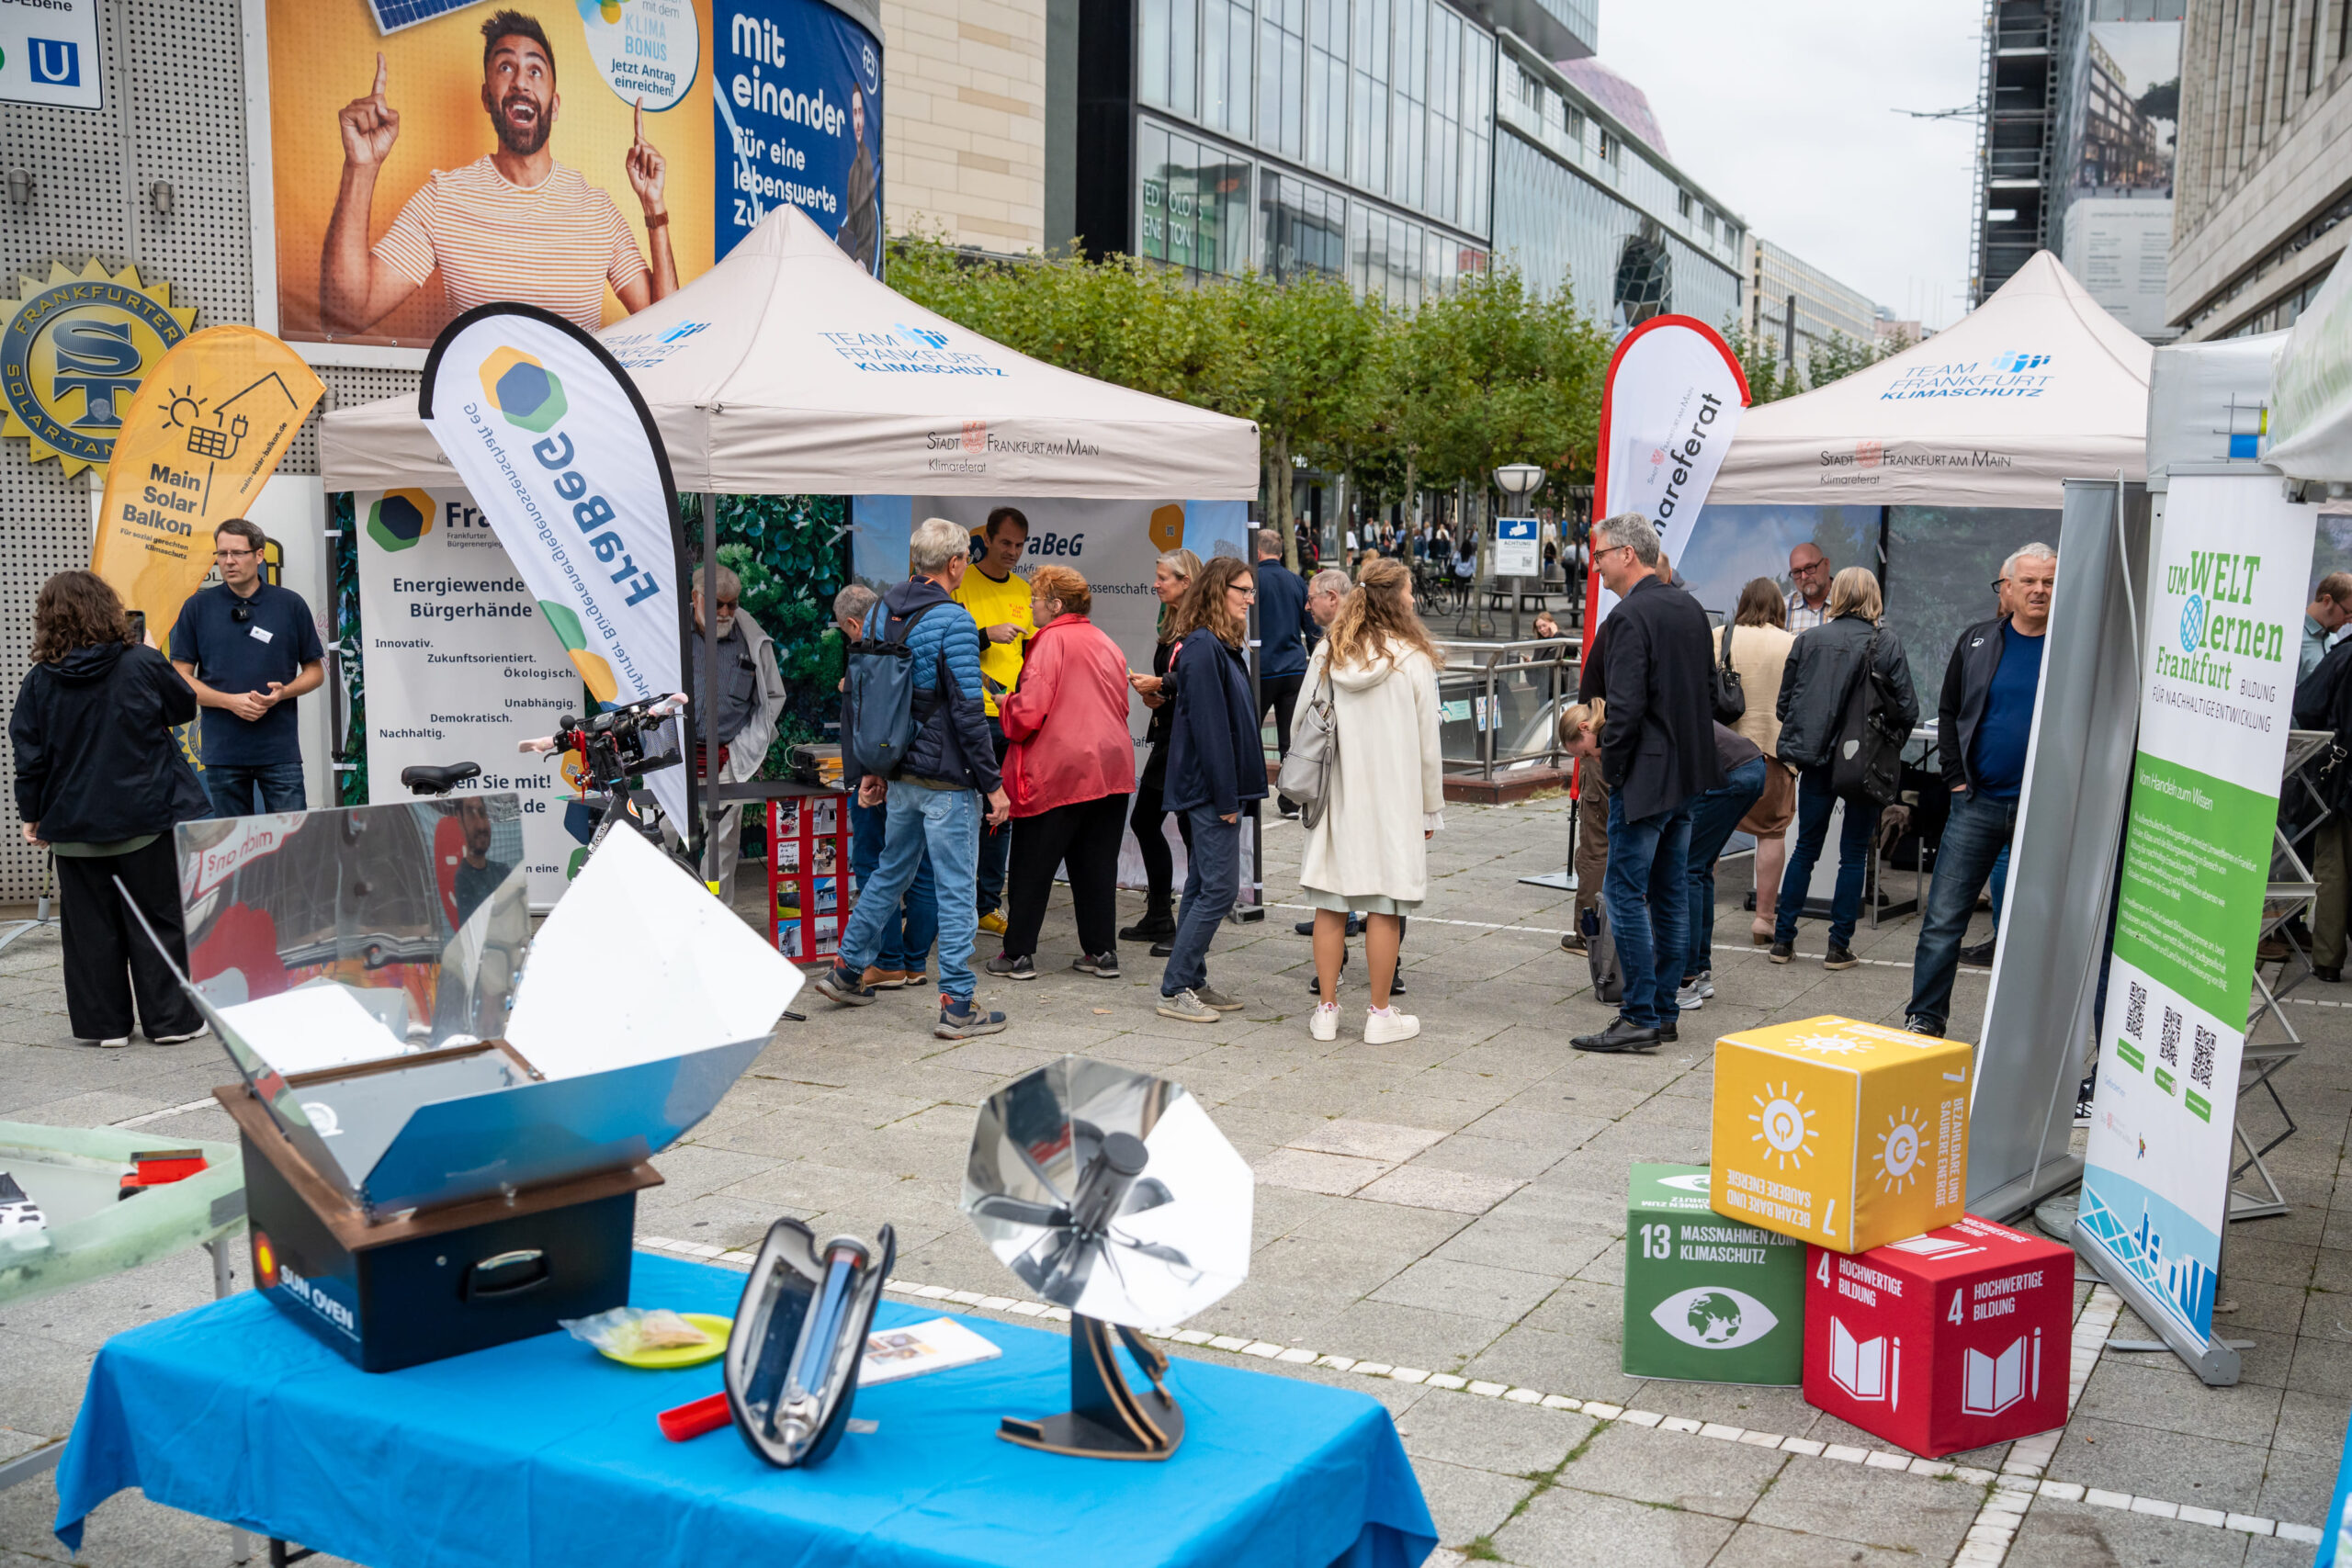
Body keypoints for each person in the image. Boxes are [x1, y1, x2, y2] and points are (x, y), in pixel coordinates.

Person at [321, 10, 676, 336]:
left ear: (554, 106)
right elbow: (347, 314)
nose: (521, 82)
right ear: (487, 98)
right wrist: (360, 167)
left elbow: (665, 327)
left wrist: (654, 206)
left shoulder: (597, 211)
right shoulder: (444, 198)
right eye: (506, 67)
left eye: (535, 71)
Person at [812, 518, 1012, 1039]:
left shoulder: (880, 611)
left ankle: (846, 970)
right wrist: (993, 784)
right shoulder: (954, 621)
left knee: (889, 873)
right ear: (955, 564)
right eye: (966, 559)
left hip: (898, 771)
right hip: (946, 779)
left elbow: (868, 695)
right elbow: (968, 711)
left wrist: (873, 770)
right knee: (956, 889)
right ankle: (958, 1004)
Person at [11, 571, 209, 1047]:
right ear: (108, 609)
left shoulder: (39, 681)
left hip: (73, 824)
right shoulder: (141, 661)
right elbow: (182, 709)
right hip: (144, 817)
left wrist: (31, 814)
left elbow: (29, 757)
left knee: (89, 931)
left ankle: (106, 1027)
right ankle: (171, 1022)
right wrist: (153, 656)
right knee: (157, 920)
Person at [1572, 513, 1722, 1054]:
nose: (1596, 566)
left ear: (1627, 554)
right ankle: (1662, 1012)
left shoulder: (1631, 616)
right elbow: (1709, 693)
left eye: (1600, 555)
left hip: (1646, 776)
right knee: (1670, 894)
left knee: (1625, 892)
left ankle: (1639, 1014)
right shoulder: (1688, 608)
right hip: (1687, 773)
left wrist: (1612, 766)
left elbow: (1627, 705)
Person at [1905, 545, 2055, 1033]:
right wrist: (1955, 777)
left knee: (2038, 928)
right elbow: (1949, 711)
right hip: (1978, 803)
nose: (2039, 590)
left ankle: (2025, 1033)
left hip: (2046, 811)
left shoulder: (2073, 648)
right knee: (1943, 921)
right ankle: (1925, 1019)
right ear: (2007, 588)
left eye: (2049, 582)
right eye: (2029, 581)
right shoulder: (1977, 641)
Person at [1298, 559, 1444, 1044]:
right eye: (1408, 591)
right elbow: (1428, 744)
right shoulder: (1412, 658)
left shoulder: (1328, 650)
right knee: (1385, 903)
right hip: (1394, 798)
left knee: (1330, 901)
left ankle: (1326, 1010)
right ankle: (1380, 1014)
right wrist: (1430, 806)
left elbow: (1302, 720)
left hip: (1337, 793)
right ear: (1394, 599)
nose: (1413, 599)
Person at [1769, 566, 1919, 970]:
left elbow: (1785, 706)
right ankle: (1838, 947)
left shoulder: (1808, 640)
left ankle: (1782, 941)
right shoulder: (1886, 643)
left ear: (1838, 595)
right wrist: (1887, 741)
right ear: (1873, 596)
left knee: (1805, 849)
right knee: (1853, 855)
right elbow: (1908, 708)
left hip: (1816, 759)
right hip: (1864, 761)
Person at [990, 566, 1135, 981]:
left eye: (1035, 600)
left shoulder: (1050, 641)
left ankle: (1017, 954)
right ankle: (1102, 952)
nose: (1030, 607)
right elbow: (1121, 705)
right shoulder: (1105, 641)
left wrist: (1006, 704)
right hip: (1111, 766)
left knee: (1032, 866)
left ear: (1055, 605)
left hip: (1060, 769)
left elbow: (1029, 714)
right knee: (1097, 866)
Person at [1155, 557, 1264, 1023]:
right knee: (1219, 890)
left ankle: (1192, 979)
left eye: (1251, 591)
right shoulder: (1202, 646)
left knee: (1202, 886)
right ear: (1220, 590)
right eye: (1243, 590)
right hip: (1209, 789)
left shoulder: (1217, 644)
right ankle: (1175, 987)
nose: (1250, 599)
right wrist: (1225, 797)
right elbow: (1210, 729)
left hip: (1217, 787)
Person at [169, 518, 325, 817]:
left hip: (279, 751)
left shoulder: (290, 605)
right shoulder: (197, 607)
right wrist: (230, 702)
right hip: (223, 752)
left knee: (293, 836)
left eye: (238, 553)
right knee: (233, 840)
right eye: (222, 553)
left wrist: (283, 693)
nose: (229, 561)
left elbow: (315, 672)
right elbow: (180, 677)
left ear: (259, 555)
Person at [835, 584, 936, 990]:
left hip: (876, 775)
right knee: (920, 867)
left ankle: (889, 960)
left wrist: (865, 774)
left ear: (853, 624)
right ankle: (915, 961)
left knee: (876, 866)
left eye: (847, 632)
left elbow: (869, 726)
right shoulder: (911, 646)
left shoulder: (870, 658)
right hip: (917, 772)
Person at [954, 507, 1035, 937]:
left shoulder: (1024, 590)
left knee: (1001, 814)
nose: (1012, 552)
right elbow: (943, 642)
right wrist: (986, 634)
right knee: (960, 813)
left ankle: (987, 904)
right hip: (971, 715)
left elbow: (1033, 655)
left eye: (1019, 545)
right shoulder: (961, 582)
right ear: (986, 539)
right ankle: (952, 904)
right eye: (1005, 542)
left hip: (1011, 718)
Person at [687, 566, 785, 904]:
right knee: (664, 837)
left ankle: (715, 913)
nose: (726, 612)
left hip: (727, 758)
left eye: (732, 604)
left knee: (723, 845)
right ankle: (665, 916)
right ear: (695, 597)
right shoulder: (670, 633)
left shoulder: (751, 639)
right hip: (677, 757)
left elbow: (772, 698)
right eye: (717, 604)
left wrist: (747, 744)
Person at [1122, 547, 1203, 949]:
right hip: (1168, 738)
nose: (1155, 584)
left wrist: (1163, 685)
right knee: (1144, 821)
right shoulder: (1172, 622)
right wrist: (1156, 695)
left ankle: (1190, 926)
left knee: (1191, 832)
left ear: (1186, 582)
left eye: (1163, 578)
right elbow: (1176, 681)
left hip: (1189, 745)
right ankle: (1159, 915)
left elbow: (1200, 678)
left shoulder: (1204, 628)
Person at [1715, 579, 1798, 944]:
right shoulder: (1792, 643)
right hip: (1773, 754)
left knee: (1708, 835)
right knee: (1772, 833)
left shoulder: (1720, 637)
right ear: (1779, 607)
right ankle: (1764, 918)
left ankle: (1698, 912)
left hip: (1723, 752)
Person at [1677, 722, 1770, 1009]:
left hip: (1732, 773)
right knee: (1702, 867)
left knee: (1689, 868)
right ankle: (1700, 972)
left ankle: (1686, 980)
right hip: (1750, 765)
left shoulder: (1647, 713)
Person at [1255, 529, 1317, 818]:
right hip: (1294, 669)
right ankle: (1290, 800)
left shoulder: (1252, 581)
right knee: (1289, 737)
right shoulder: (1296, 582)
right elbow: (1311, 627)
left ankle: (1250, 793)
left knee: (1248, 732)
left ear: (1257, 552)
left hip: (1262, 670)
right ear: (1280, 553)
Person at [835, 85, 880, 272]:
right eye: (855, 113)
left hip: (861, 268)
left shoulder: (868, 163)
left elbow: (867, 224)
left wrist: (861, 261)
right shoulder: (853, 169)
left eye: (860, 112)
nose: (859, 120)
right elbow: (851, 227)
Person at [452, 796, 516, 925]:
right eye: (471, 815)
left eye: (482, 813)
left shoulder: (503, 870)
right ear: (460, 821)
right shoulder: (462, 879)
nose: (481, 825)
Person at [2303, 572, 2352, 682]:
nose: (2350, 621)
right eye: (2347, 613)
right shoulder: (2294, 638)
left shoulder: (2333, 639)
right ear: (2327, 601)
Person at [1786, 542, 1834, 632]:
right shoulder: (1781, 611)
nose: (1804, 577)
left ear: (1826, 564)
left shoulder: (1852, 604)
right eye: (1797, 572)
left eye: (1810, 568)